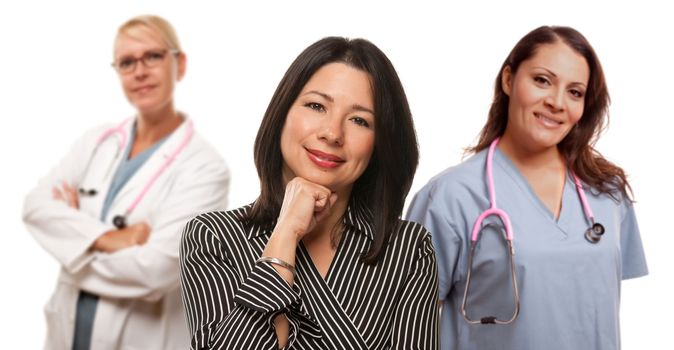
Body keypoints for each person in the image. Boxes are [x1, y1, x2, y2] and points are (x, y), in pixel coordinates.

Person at [180, 36, 438, 349]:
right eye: (316, 106)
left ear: (380, 143)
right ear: (282, 113)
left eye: (360, 120)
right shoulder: (212, 237)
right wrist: (285, 234)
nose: (332, 133)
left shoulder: (408, 249)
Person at [407, 26, 647, 350]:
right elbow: (406, 325)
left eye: (575, 92)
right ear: (509, 79)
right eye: (542, 81)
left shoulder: (608, 193)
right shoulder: (450, 198)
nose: (557, 102)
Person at [22, 15, 229, 350]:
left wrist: (68, 249)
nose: (140, 71)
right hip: (67, 333)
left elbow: (157, 270)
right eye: (127, 62)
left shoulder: (205, 168)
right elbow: (35, 207)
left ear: (180, 64)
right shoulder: (96, 142)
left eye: (153, 56)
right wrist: (110, 238)